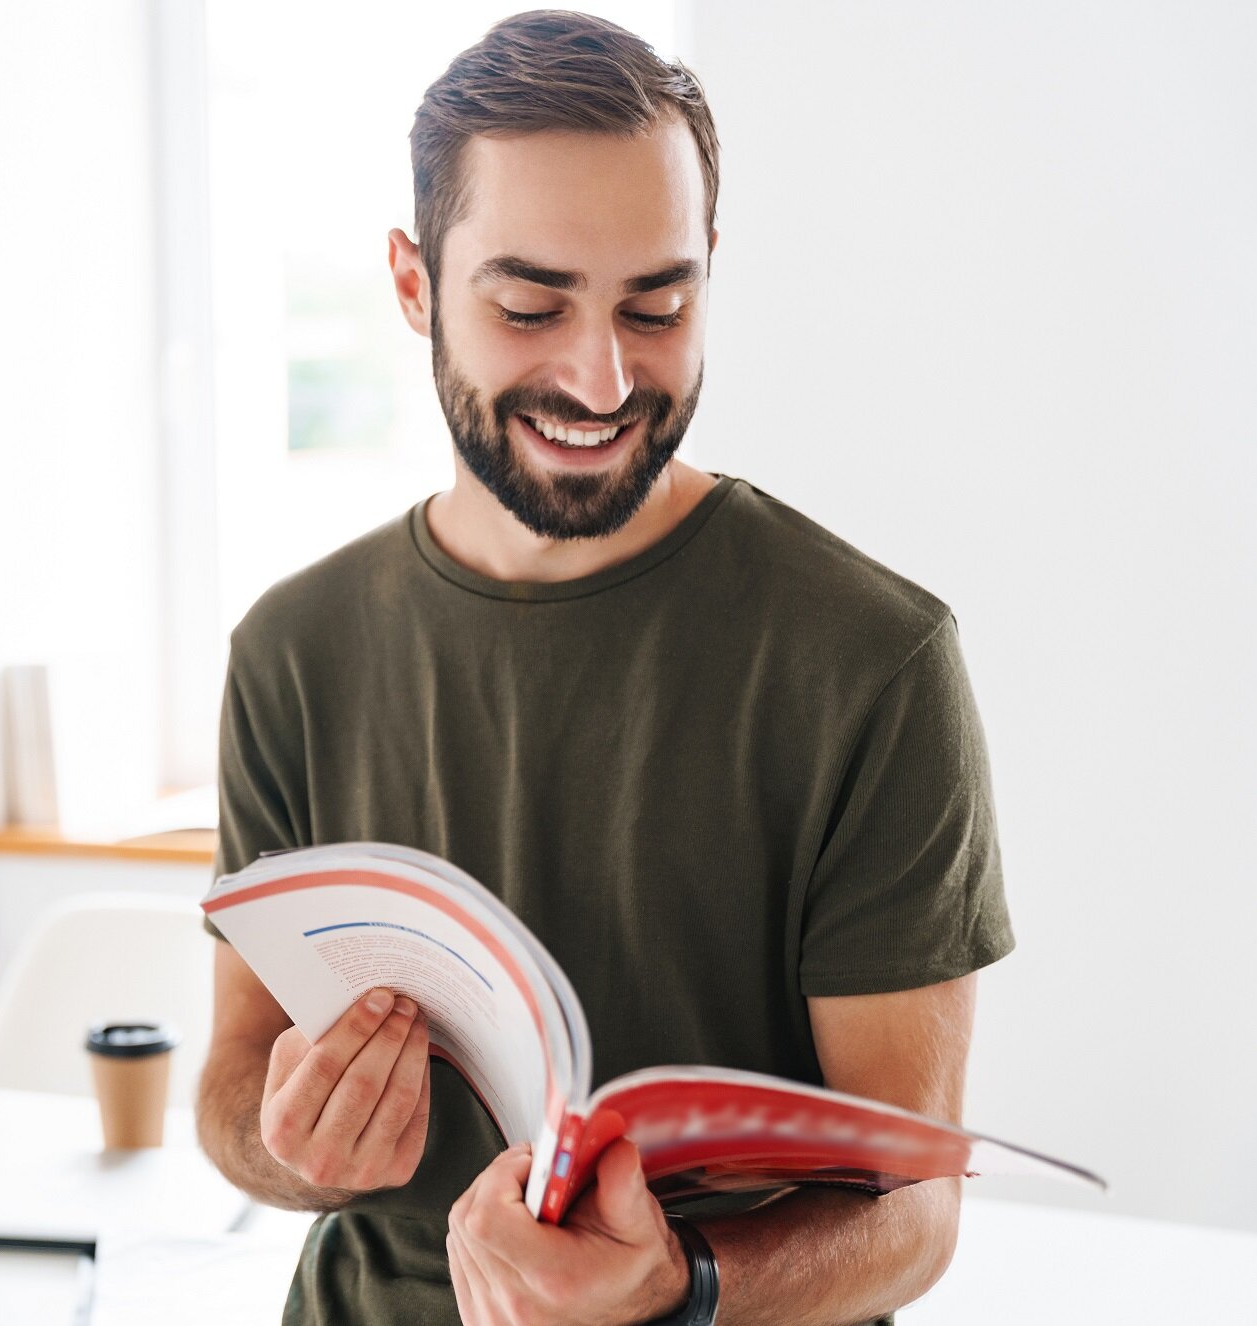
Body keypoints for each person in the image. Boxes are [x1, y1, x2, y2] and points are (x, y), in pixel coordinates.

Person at [194, 10, 1013, 1326]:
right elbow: (230, 1091)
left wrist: (681, 1285)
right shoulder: (293, 650)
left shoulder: (873, 660)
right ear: (413, 285)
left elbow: (915, 1207)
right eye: (528, 304)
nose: (601, 375)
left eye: (659, 302)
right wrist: (290, 1140)